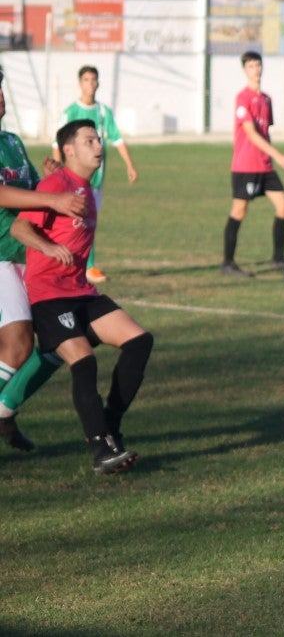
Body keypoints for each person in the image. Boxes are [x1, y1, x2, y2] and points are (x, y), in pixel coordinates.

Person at [12, 119, 154, 474]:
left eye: (99, 139)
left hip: (81, 291)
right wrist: (47, 246)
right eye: (89, 140)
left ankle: (110, 423)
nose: (99, 145)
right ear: (69, 149)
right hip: (49, 295)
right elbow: (19, 226)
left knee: (139, 342)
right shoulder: (56, 185)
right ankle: (101, 449)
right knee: (84, 361)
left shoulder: (84, 187)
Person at [0, 78, 89, 453]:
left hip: (31, 255)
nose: (1, 98)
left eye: (1, 89)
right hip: (2, 253)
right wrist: (51, 200)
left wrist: (52, 177)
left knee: (58, 343)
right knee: (19, 344)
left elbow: (35, 187)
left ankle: (5, 414)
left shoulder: (12, 143)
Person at [54, 65, 139, 283]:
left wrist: (129, 165)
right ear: (79, 83)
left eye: (93, 80)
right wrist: (58, 172)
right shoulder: (70, 113)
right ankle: (85, 265)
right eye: (86, 80)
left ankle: (83, 265)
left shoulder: (103, 112)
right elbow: (57, 144)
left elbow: (117, 138)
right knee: (75, 222)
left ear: (98, 83)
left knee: (89, 221)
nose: (90, 84)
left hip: (96, 179)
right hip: (73, 178)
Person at [222, 51, 284, 277]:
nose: (256, 69)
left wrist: (271, 157)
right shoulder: (242, 98)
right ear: (245, 70)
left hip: (265, 166)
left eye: (258, 64)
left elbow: (265, 131)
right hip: (246, 165)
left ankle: (278, 259)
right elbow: (251, 134)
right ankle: (228, 263)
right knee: (239, 211)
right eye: (251, 66)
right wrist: (279, 156)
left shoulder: (266, 99)